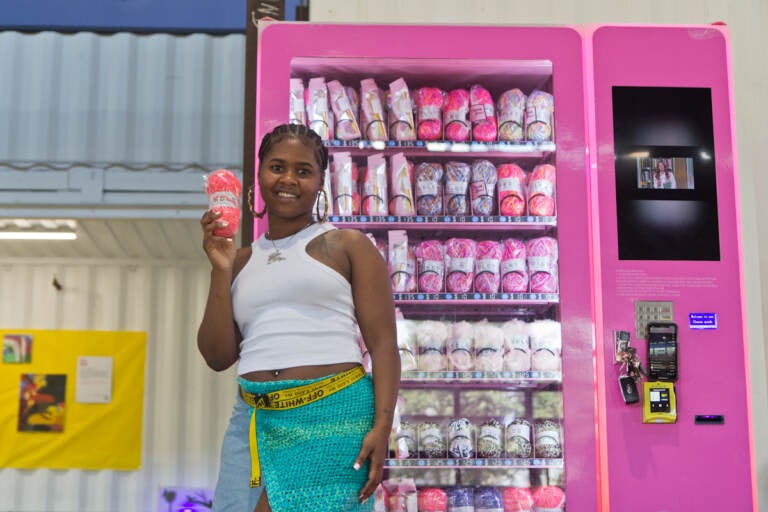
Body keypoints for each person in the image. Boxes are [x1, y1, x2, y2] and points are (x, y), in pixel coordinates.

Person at [198, 123, 400, 512]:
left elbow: (384, 346)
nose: (288, 179)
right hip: (254, 420)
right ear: (259, 175)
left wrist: (382, 426)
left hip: (335, 417)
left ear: (320, 182)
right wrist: (219, 269)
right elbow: (217, 355)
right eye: (277, 167)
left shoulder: (349, 246)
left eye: (303, 171)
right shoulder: (238, 260)